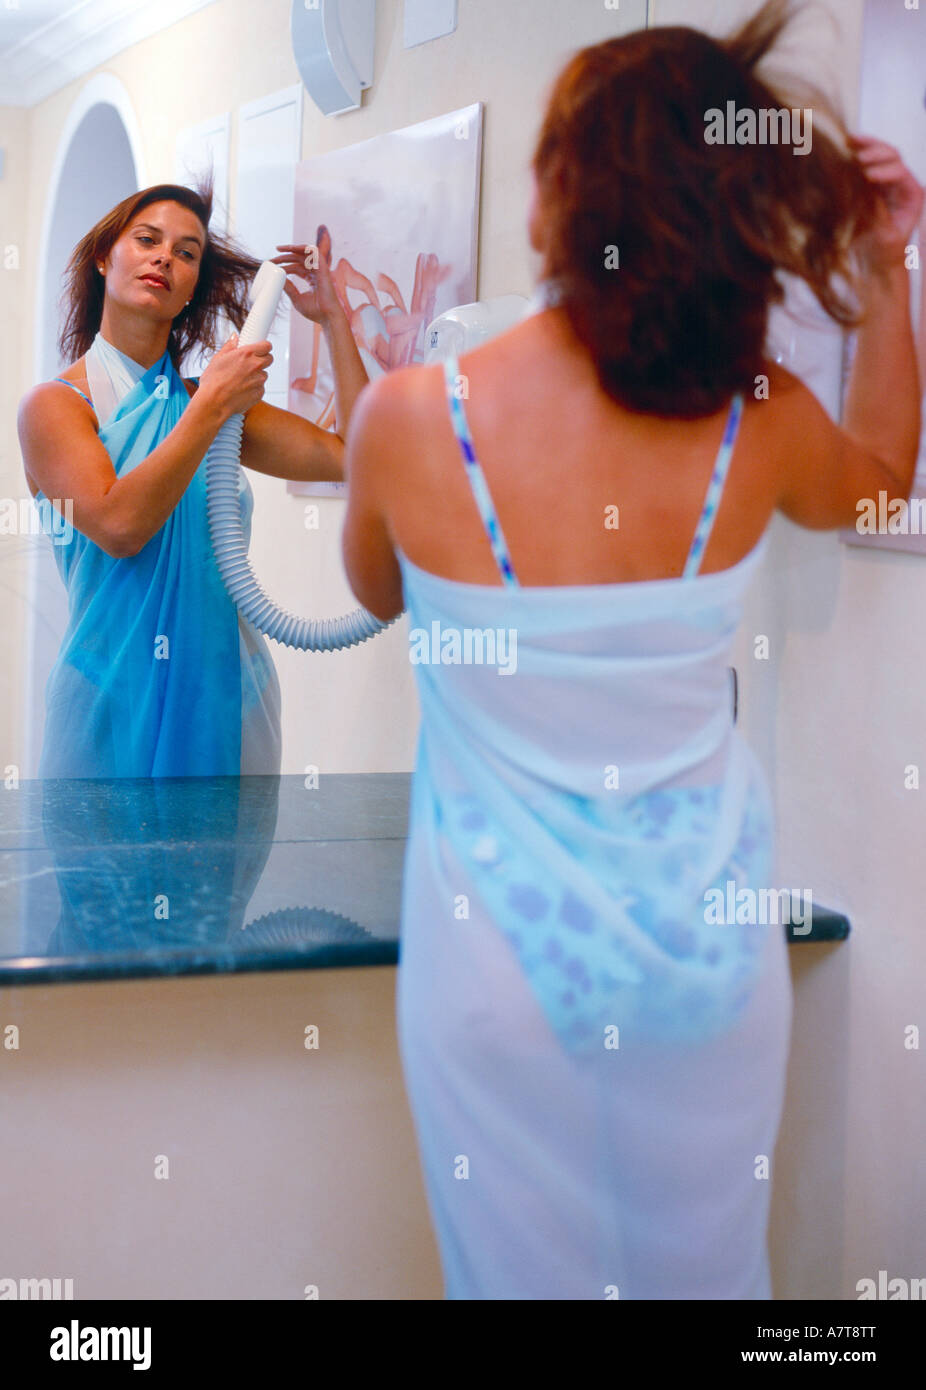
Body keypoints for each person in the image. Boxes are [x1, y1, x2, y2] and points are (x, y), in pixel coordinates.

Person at [340, 0, 922, 1298]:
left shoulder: (408, 421)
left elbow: (375, 588)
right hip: (706, 979)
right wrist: (883, 275)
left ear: (561, 190)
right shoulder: (753, 419)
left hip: (496, 982)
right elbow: (882, 483)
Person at [18, 175, 368, 777]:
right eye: (147, 239)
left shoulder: (214, 402)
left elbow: (357, 454)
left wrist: (334, 319)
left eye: (186, 253)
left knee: (220, 873)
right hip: (105, 703)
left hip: (229, 705)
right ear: (105, 257)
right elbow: (120, 525)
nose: (164, 258)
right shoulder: (55, 408)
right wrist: (211, 406)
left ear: (191, 290)